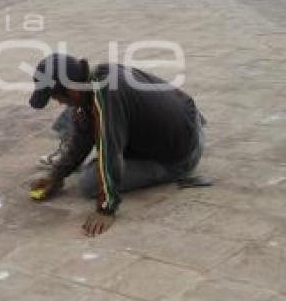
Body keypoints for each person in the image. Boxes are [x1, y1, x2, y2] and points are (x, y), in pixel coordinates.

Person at [28, 53, 205, 236]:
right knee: (78, 112)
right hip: (189, 122)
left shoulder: (106, 96)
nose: (58, 102)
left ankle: (165, 170)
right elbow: (84, 135)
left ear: (71, 89)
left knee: (89, 182)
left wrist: (106, 208)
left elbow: (110, 150)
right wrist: (57, 175)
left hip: (182, 154)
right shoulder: (96, 76)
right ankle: (74, 158)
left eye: (57, 97)